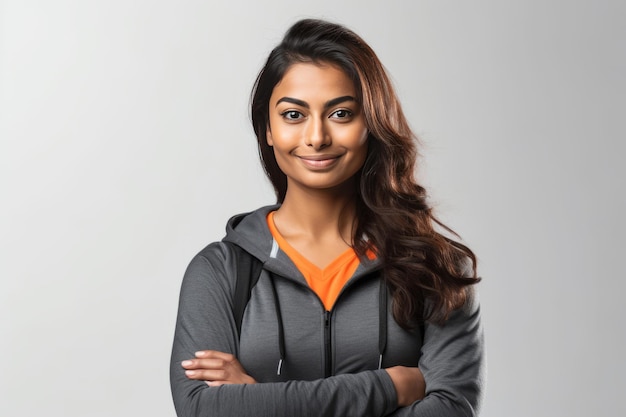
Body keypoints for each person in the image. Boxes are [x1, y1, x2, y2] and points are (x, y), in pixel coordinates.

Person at [170, 18, 484, 417]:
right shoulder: (220, 272)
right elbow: (203, 410)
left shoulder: (435, 269)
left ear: (371, 122)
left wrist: (257, 399)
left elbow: (450, 410)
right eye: (293, 115)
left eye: (340, 114)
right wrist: (390, 386)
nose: (317, 137)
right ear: (267, 128)